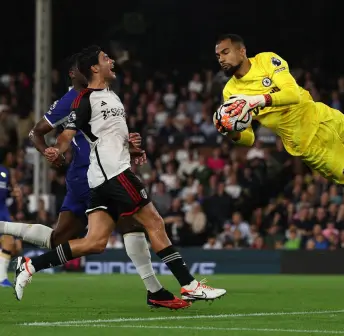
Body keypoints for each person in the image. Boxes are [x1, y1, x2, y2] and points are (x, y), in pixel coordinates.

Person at [13, 45, 226, 303]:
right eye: (105, 58)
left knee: (95, 242)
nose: (111, 60)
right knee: (154, 222)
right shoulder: (83, 99)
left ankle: (30, 266)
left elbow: (109, 136)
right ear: (94, 68)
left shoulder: (112, 95)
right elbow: (67, 135)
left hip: (103, 176)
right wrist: (55, 151)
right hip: (114, 173)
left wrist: (133, 148)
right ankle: (189, 284)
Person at [213, 34, 344, 234]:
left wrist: (254, 101)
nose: (221, 58)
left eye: (225, 52)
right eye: (218, 55)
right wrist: (232, 133)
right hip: (308, 144)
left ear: (242, 51)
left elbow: (292, 94)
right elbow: (249, 138)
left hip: (322, 116)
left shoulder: (267, 60)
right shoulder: (230, 93)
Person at [0, 151, 22, 287]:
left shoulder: (6, 172)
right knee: (10, 243)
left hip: (3, 210)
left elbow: (7, 191)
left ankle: (2, 278)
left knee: (14, 245)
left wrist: (13, 192)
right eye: (9, 155)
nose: (11, 158)